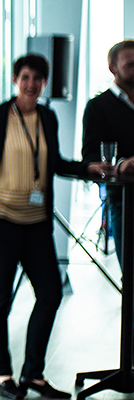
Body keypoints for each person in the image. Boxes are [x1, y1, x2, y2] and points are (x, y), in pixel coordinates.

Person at [0, 54, 105, 400]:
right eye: (25, 77)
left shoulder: (47, 117)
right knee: (0, 297)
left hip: (35, 223)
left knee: (50, 294)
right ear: (15, 80)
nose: (31, 83)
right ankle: (2, 374)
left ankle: (33, 374)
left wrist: (86, 169)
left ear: (45, 83)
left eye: (38, 78)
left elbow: (54, 162)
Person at [82, 40, 134, 268]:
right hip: (124, 200)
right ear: (113, 68)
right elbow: (90, 155)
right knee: (131, 274)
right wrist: (121, 164)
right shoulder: (98, 107)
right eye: (130, 65)